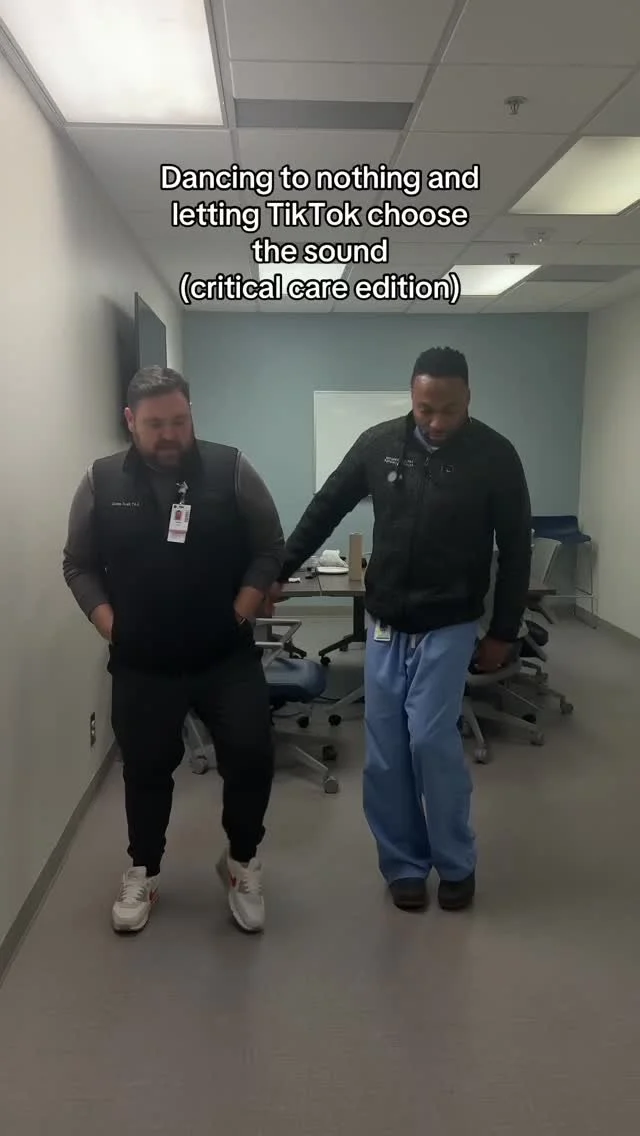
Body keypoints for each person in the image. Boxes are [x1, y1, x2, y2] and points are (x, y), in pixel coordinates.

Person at [274, 347, 532, 913]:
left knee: (430, 741)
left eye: (449, 410)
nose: (436, 422)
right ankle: (404, 864)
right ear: (411, 398)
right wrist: (280, 571)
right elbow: (326, 507)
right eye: (425, 409)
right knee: (386, 750)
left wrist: (503, 631)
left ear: (468, 399)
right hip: (387, 619)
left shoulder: (494, 455)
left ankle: (455, 861)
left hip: (451, 620)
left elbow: (517, 548)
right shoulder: (378, 443)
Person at [63, 366, 285, 935]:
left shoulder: (231, 469)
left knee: (251, 756)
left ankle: (241, 862)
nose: (170, 435)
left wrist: (243, 606)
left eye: (179, 421)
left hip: (224, 655)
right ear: (130, 421)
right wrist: (110, 625)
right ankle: (144, 870)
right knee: (145, 770)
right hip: (143, 661)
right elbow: (78, 564)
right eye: (156, 424)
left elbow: (270, 545)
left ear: (192, 415)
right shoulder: (100, 481)